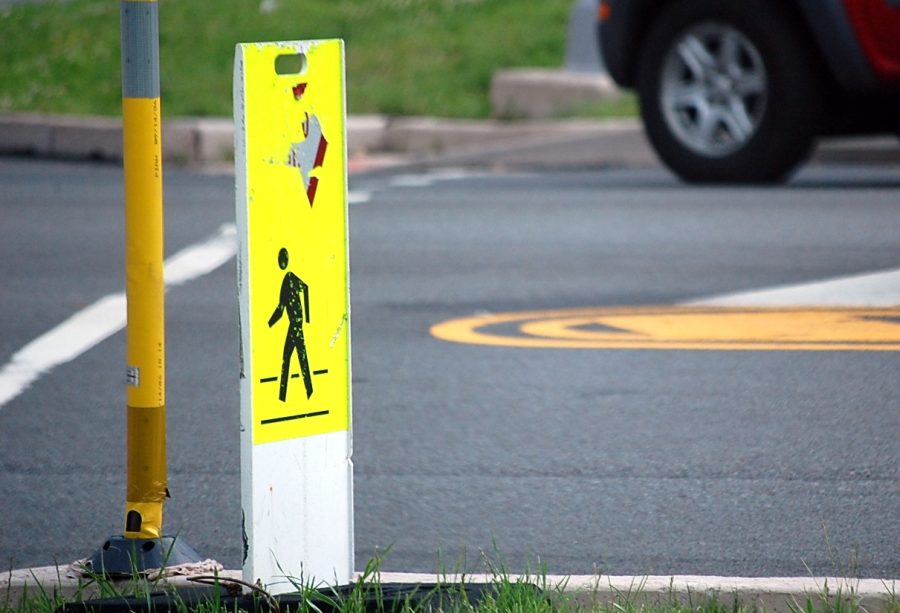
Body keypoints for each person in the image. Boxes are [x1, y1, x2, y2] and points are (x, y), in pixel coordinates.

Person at [268, 247, 313, 401]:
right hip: (294, 325)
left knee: (291, 358)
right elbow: (281, 309)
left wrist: (307, 317)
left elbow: (305, 288)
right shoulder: (287, 281)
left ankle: (285, 396)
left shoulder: (289, 278)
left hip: (296, 326)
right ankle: (308, 392)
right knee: (298, 357)